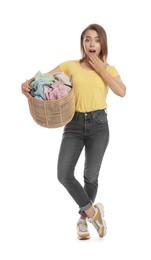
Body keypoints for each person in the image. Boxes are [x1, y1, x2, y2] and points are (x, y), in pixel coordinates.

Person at [21, 23, 126, 240]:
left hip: (99, 125)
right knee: (64, 174)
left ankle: (82, 221)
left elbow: (121, 91)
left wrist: (101, 69)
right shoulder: (70, 66)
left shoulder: (110, 70)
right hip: (74, 125)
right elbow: (41, 79)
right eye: (87, 39)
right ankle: (93, 212)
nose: (91, 43)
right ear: (82, 43)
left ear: (102, 43)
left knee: (91, 176)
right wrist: (27, 85)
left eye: (96, 39)